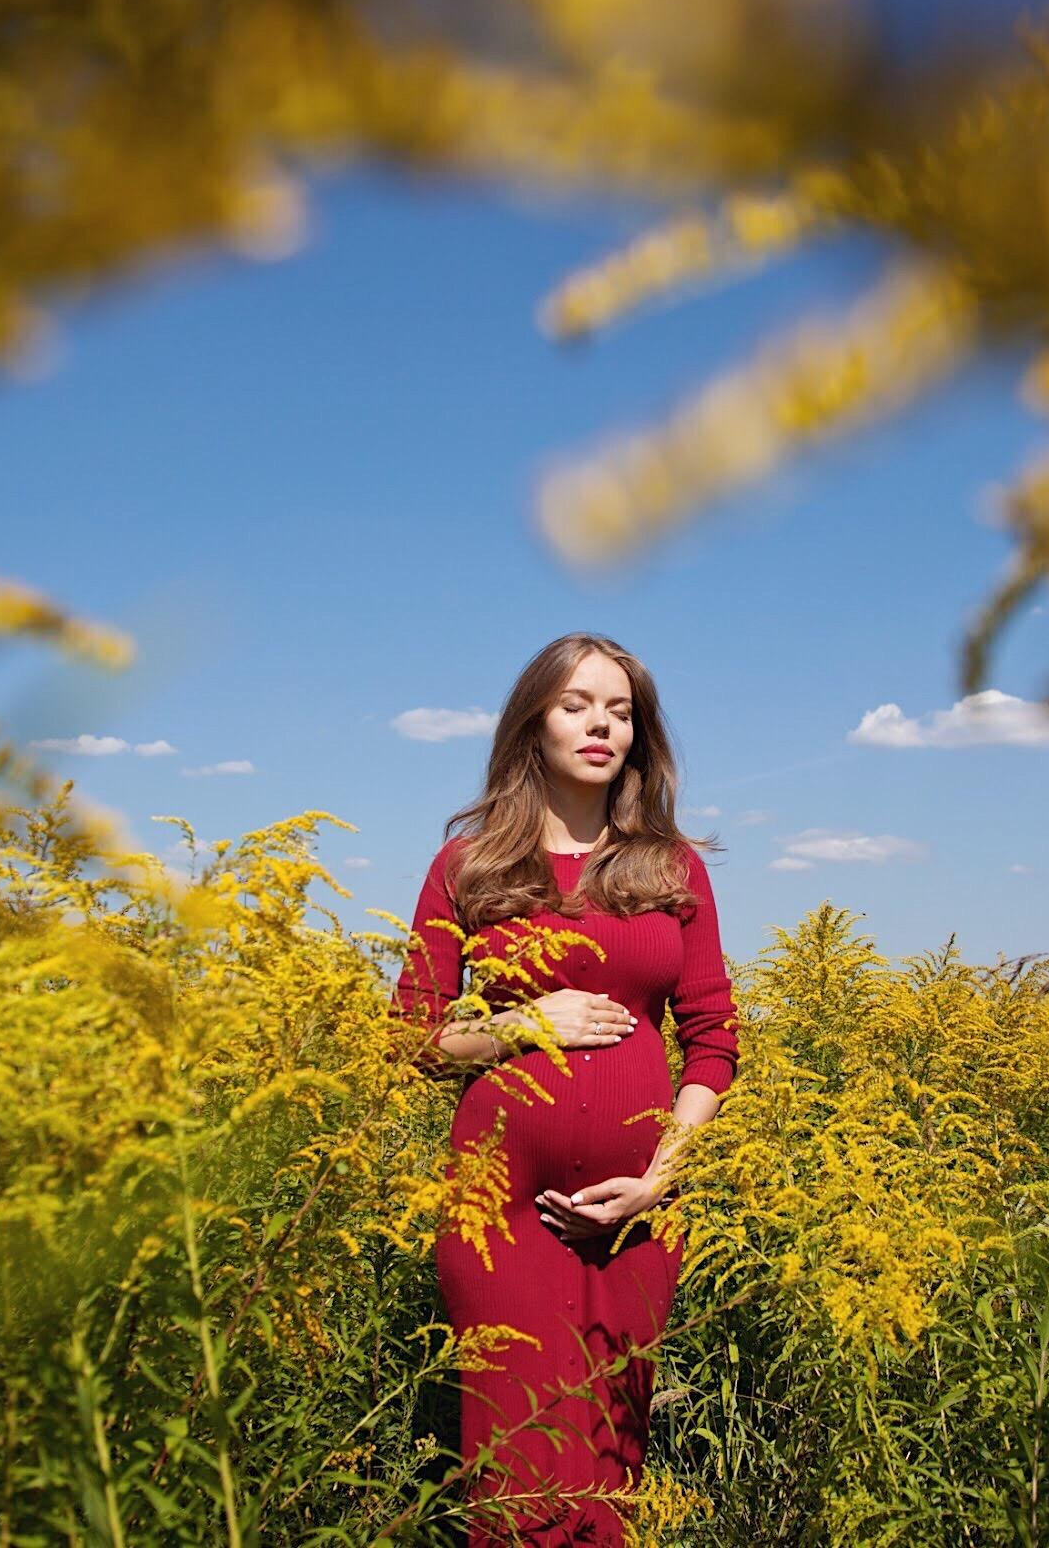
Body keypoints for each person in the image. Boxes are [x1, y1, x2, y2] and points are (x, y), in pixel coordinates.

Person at [393, 631, 740, 1547]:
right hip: (497, 1214)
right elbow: (409, 1037)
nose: (602, 726)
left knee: (611, 1464)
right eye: (577, 705)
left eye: (621, 711)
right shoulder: (469, 867)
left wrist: (662, 1177)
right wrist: (520, 1025)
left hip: (637, 1217)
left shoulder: (671, 869)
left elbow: (712, 1043)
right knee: (511, 1465)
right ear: (533, 723)